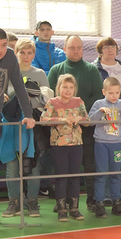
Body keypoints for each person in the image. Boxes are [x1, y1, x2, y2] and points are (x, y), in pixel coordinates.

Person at [48, 35, 104, 211]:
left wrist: (79, 113)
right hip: (60, 130)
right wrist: (66, 114)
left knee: (89, 163)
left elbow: (98, 96)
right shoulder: (55, 70)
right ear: (64, 49)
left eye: (79, 47)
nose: (75, 51)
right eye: (72, 47)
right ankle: (62, 201)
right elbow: (51, 97)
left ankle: (91, 200)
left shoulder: (92, 70)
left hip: (84, 127)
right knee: (62, 168)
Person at [0, 28, 36, 230]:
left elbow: (19, 85)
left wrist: (28, 114)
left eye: (3, 45)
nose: (0, 49)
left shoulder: (9, 56)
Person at [3, 38, 51, 217]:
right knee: (12, 165)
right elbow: (1, 95)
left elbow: (46, 100)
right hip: (11, 124)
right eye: (22, 52)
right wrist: (4, 97)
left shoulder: (39, 73)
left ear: (33, 55)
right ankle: (14, 202)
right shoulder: (8, 72)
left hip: (32, 125)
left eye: (29, 52)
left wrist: (33, 95)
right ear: (16, 53)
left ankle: (32, 201)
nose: (25, 56)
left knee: (33, 164)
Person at [40, 74, 89, 221]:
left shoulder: (79, 102)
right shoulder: (52, 102)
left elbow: (87, 121)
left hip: (76, 144)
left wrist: (79, 118)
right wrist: (61, 119)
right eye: (65, 87)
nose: (68, 90)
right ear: (58, 88)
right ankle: (61, 208)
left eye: (71, 87)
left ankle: (74, 208)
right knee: (61, 177)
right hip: (59, 145)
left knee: (75, 176)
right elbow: (43, 120)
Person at [88, 77, 121, 218]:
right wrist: (100, 112)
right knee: (101, 174)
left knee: (116, 173)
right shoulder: (99, 103)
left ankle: (117, 202)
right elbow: (90, 122)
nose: (114, 96)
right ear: (104, 92)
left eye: (117, 93)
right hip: (101, 144)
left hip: (117, 144)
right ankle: (99, 203)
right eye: (111, 93)